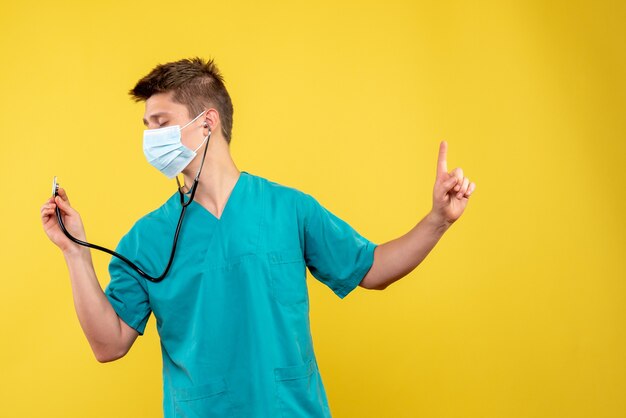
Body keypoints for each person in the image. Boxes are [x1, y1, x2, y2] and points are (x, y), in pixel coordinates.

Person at [40, 57, 476, 418]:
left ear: (206, 122)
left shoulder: (289, 209)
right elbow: (108, 344)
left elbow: (374, 269)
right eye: (146, 125)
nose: (150, 138)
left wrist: (437, 219)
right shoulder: (145, 239)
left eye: (161, 122)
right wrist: (74, 253)